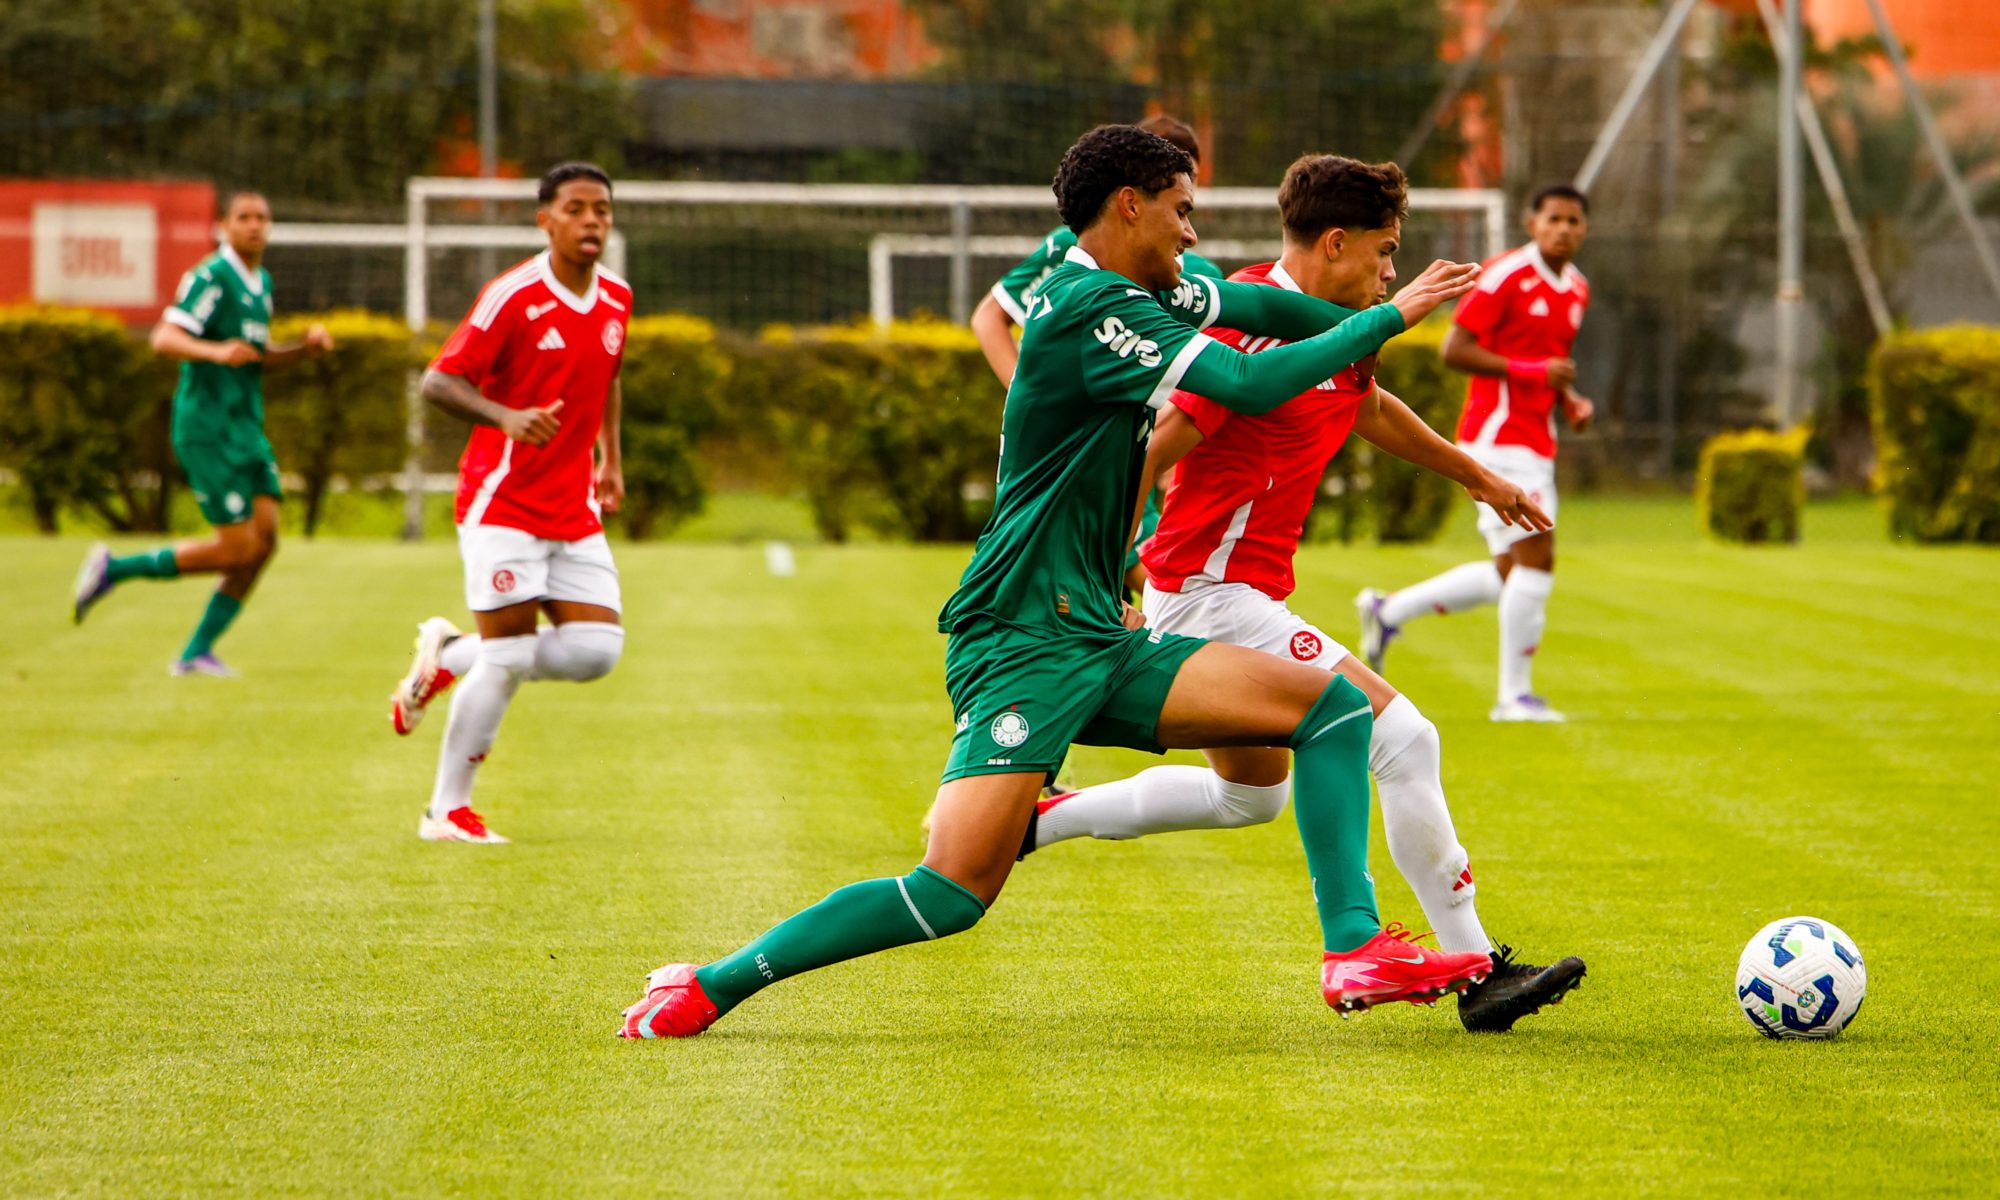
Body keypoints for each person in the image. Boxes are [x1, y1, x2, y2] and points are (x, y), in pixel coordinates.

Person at [621, 125, 1491, 1040]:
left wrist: (1363, 342)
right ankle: (711, 984)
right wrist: (1389, 318)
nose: (1192, 233)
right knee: (952, 893)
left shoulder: (1153, 289)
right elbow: (1242, 376)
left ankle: (1353, 946)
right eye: (1182, 210)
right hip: (1023, 635)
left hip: (1099, 633)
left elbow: (1262, 310)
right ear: (1130, 206)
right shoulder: (1085, 305)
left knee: (1333, 710)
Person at [1018, 154, 1585, 1032]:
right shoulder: (1251, 329)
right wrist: (1115, 571)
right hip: (1211, 594)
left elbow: (1369, 406)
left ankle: (1039, 822)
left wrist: (1475, 476)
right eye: (1386, 253)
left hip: (1231, 594)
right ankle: (1479, 972)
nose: (1392, 274)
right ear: (1334, 242)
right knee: (1403, 736)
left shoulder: (1334, 326)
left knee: (1254, 795)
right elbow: (1151, 446)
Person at [384, 162, 630, 845]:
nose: (592, 221)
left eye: (602, 210)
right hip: (505, 504)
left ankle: (450, 654)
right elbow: (439, 381)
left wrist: (611, 458)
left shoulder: (615, 297)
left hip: (573, 505)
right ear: (544, 220)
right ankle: (445, 812)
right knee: (513, 655)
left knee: (596, 649)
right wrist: (505, 415)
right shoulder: (512, 296)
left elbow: (608, 374)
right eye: (576, 209)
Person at [1357, 185, 1594, 722]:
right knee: (1539, 556)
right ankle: (1514, 697)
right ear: (1532, 223)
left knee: (1511, 570)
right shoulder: (1507, 274)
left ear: (1584, 229)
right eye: (1553, 218)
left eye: (1574, 221)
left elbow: (1548, 360)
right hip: (1496, 437)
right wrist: (1534, 374)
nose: (1563, 229)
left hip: (1537, 439)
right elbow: (1454, 348)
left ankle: (1387, 610)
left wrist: (1570, 399)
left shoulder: (1576, 287)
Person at [72, 191, 332, 674]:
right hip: (207, 428)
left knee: (266, 541)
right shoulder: (211, 276)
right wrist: (214, 352)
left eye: (262, 217)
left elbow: (255, 355)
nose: (254, 225)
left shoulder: (261, 282)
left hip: (245, 427)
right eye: (244, 217)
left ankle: (195, 653)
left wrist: (303, 349)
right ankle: (114, 570)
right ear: (223, 226)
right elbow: (164, 338)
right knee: (235, 549)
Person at [970, 114, 1220, 597]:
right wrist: (1043, 398)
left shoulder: (1200, 272)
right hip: (1099, 461)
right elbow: (990, 318)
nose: (1187, 211)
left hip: (1149, 451)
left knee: (1147, 602)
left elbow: (1211, 368)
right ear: (1130, 194)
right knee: (1160, 595)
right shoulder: (1074, 252)